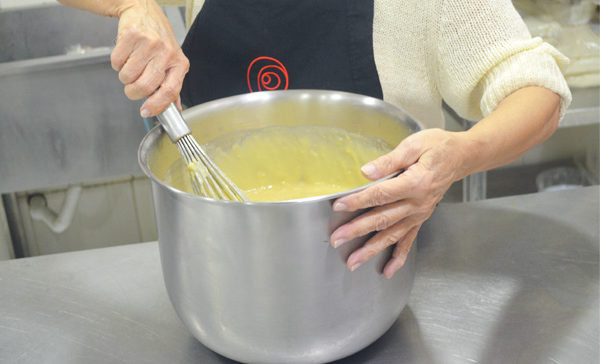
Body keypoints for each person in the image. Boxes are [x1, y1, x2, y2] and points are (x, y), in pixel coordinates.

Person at [57, 0, 572, 278]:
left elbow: (538, 86)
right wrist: (131, 6)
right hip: (220, 263)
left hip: (371, 265)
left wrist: (461, 154)